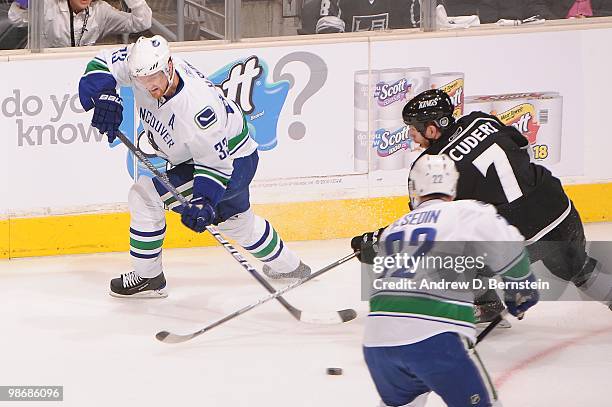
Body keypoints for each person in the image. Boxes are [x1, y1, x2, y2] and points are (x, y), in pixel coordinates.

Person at [78, 35, 311, 298]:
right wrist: (104, 94)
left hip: (230, 164)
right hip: (221, 156)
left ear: (169, 67)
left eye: (154, 78)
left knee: (144, 195)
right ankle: (292, 267)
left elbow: (215, 165)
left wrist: (204, 201)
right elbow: (101, 64)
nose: (148, 85)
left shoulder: (198, 109)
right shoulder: (143, 64)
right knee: (237, 224)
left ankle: (148, 276)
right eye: (141, 79)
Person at [400, 89, 612, 320]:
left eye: (413, 127)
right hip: (558, 209)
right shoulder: (480, 119)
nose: (410, 133)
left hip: (519, 235)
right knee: (579, 269)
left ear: (431, 129)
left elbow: (431, 222)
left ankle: (486, 305)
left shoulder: (430, 165)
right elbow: (523, 149)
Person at [352, 154, 537, 407]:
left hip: (378, 345)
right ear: (452, 186)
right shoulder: (467, 211)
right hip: (436, 338)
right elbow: (511, 249)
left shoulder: (394, 228)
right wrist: (521, 289)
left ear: (414, 189)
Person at [8, 0, 152, 48]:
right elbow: (14, 18)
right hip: (40, 69)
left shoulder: (101, 11)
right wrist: (24, 3)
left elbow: (142, 22)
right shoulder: (48, 4)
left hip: (80, 72)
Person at [298, 0, 420, 35]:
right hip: (349, 68)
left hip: (396, 70)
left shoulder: (410, 2)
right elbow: (331, 43)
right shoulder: (332, 2)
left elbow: (418, 39)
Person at [529, 0, 612, 19]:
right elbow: (537, 4)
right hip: (558, 30)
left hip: (598, 29)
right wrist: (558, 22)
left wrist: (587, 19)